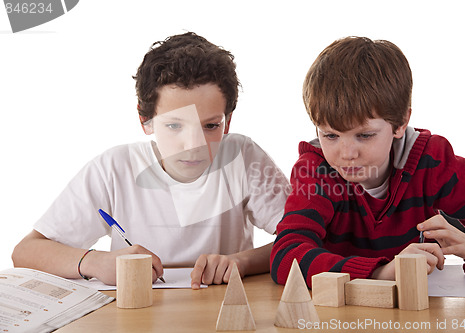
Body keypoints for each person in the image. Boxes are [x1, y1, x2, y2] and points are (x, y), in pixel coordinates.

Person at [12, 32, 290, 289]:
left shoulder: (242, 156)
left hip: (218, 310)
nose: (193, 146)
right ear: (145, 119)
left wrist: (241, 262)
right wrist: (95, 263)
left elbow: (302, 240)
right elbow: (25, 252)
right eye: (174, 126)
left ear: (227, 121)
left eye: (210, 126)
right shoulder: (114, 168)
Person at [270, 36, 465, 288]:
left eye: (364, 135)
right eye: (330, 135)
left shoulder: (431, 160)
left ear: (400, 122)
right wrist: (382, 273)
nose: (346, 153)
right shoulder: (315, 171)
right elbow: (286, 257)